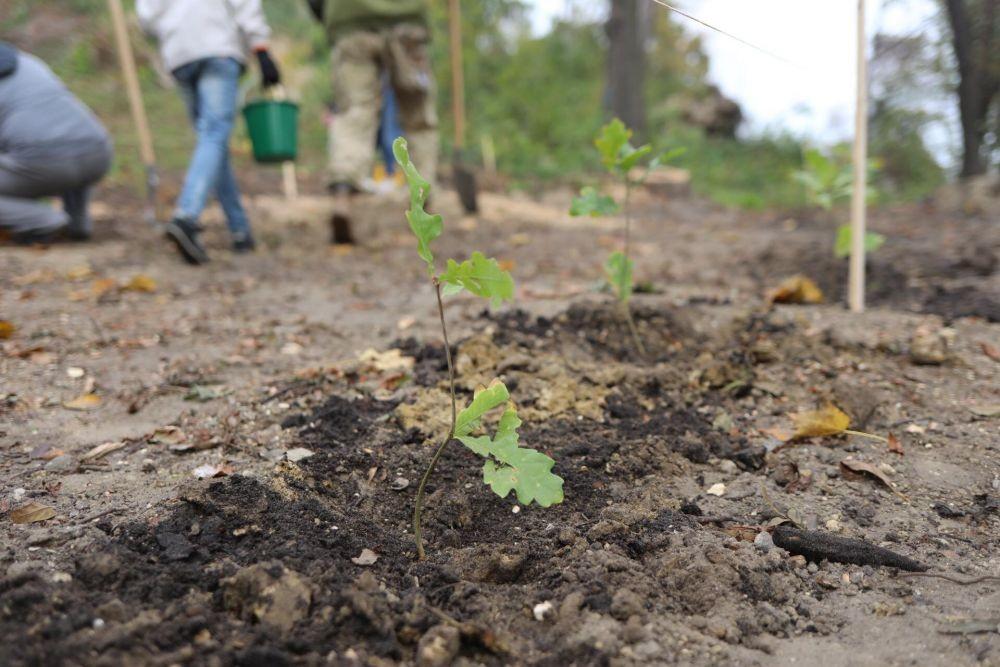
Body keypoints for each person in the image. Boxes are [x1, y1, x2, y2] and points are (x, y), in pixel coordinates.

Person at [137, 0, 281, 264]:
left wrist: (175, 28)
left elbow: (146, 16)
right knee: (214, 135)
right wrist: (260, 47)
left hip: (179, 53)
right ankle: (186, 217)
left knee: (212, 142)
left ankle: (240, 229)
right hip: (218, 47)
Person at [307, 0, 438, 244]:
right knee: (418, 120)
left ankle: (342, 199)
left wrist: (326, 13)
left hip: (351, 21)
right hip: (406, 22)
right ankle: (425, 203)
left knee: (354, 113)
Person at [0, 42, 113, 244]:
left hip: (47, 163)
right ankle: (78, 223)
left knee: (41, 150)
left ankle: (43, 220)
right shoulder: (28, 62)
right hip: (98, 151)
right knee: (63, 139)